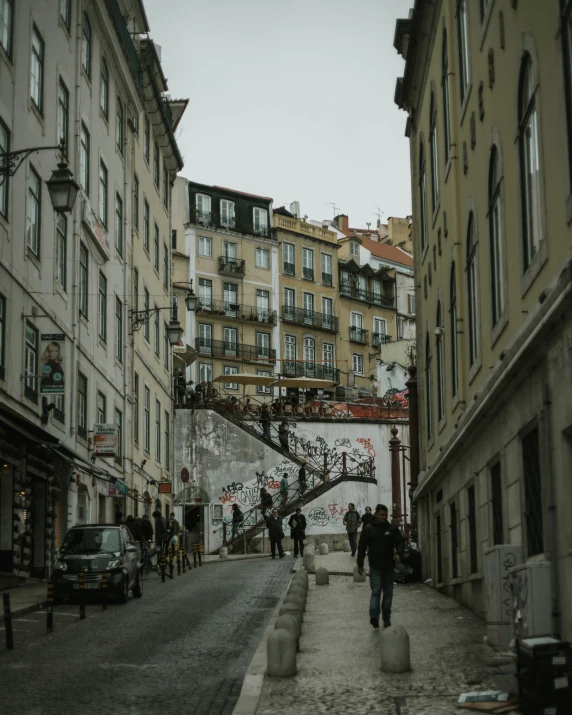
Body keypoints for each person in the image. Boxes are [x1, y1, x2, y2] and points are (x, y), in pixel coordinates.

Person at [357, 503, 405, 629]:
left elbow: (400, 542)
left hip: (389, 566)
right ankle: (374, 616)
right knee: (376, 591)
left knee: (388, 594)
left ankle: (386, 617)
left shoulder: (392, 529)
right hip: (375, 567)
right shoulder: (368, 529)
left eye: (385, 515)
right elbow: (361, 547)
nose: (384, 517)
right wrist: (360, 563)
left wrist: (399, 554)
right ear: (376, 515)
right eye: (381, 515)